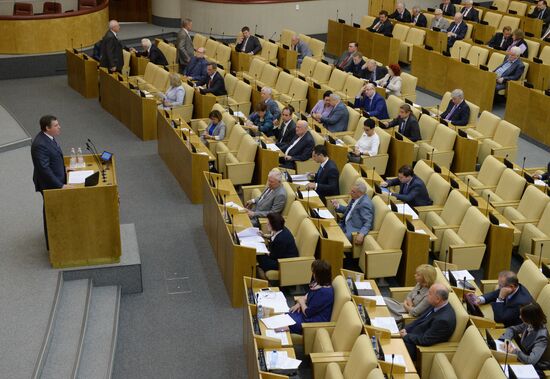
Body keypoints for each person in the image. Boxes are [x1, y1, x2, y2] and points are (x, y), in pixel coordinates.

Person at [31, 115, 70, 250]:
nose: (59, 127)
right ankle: (52, 244)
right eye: (56, 125)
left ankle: (61, 235)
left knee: (57, 210)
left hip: (56, 178)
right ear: (47, 128)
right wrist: (60, 185)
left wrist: (65, 170)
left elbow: (54, 158)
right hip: (49, 185)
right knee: (51, 212)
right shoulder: (40, 145)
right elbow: (44, 169)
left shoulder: (49, 138)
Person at [400, 283, 456, 360]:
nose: (427, 295)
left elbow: (426, 340)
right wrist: (406, 329)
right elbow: (419, 320)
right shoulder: (437, 304)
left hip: (414, 347)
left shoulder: (443, 321)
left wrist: (406, 336)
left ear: (438, 299)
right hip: (410, 335)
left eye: (429, 293)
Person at [500, 303, 550, 377]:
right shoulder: (530, 324)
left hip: (537, 367)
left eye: (522, 315)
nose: (520, 317)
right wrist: (507, 339)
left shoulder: (542, 337)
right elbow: (512, 329)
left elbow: (531, 361)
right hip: (524, 356)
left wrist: (514, 351)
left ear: (530, 318)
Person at [288, 260, 335, 334]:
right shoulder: (321, 283)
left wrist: (301, 302)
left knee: (286, 322)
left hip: (312, 322)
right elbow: (308, 294)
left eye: (314, 272)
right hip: (307, 314)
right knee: (287, 314)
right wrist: (300, 302)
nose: (312, 274)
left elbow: (308, 313)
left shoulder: (324, 293)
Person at [256, 213, 299, 279]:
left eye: (268, 224)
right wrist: (264, 235)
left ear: (274, 225)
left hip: (284, 262)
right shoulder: (280, 229)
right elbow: (273, 236)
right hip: (278, 255)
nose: (266, 224)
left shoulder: (280, 240)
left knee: (259, 257)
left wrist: (264, 250)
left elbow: (274, 256)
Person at [331, 180, 374, 244]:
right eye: (351, 190)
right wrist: (338, 206)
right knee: (328, 231)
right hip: (344, 225)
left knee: (333, 241)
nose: (350, 193)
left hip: (352, 231)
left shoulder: (365, 204)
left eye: (353, 192)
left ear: (360, 193)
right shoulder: (355, 197)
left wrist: (361, 234)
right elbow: (349, 211)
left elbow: (368, 223)